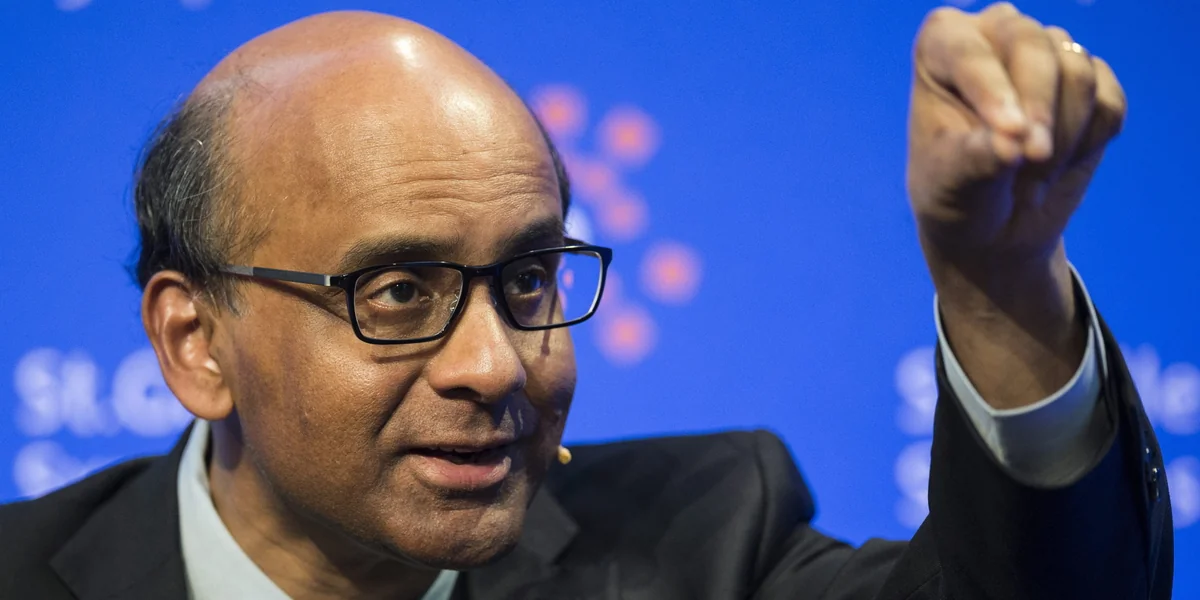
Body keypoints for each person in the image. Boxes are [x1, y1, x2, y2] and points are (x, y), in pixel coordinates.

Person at [0, 2, 1173, 599]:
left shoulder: (706, 548)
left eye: (526, 280)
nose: (495, 366)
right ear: (195, 343)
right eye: (398, 292)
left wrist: (997, 283)